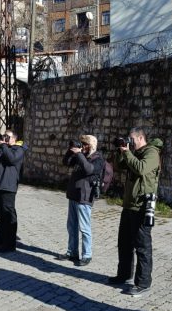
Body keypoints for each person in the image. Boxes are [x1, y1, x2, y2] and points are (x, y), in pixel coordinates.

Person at [109, 127, 164, 297]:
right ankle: (124, 275)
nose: (129, 142)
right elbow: (119, 166)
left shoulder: (152, 153)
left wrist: (127, 152)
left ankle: (143, 283)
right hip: (129, 205)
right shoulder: (134, 152)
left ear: (140, 138)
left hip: (142, 205)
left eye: (131, 140)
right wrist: (120, 151)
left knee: (142, 246)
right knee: (124, 243)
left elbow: (140, 168)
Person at [57, 135, 105, 267]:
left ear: (91, 146)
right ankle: (72, 252)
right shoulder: (81, 156)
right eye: (81, 144)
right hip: (73, 195)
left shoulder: (98, 159)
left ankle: (87, 255)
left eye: (85, 144)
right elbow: (65, 162)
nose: (82, 146)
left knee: (84, 228)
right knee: (71, 226)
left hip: (85, 197)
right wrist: (70, 150)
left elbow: (88, 169)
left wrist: (79, 154)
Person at [0, 129, 27, 253]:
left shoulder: (19, 149)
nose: (5, 138)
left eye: (7, 137)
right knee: (0, 214)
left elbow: (11, 159)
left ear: (14, 139)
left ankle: (10, 244)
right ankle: (1, 238)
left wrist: (3, 145)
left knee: (9, 215)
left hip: (8, 187)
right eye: (4, 136)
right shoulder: (3, 147)